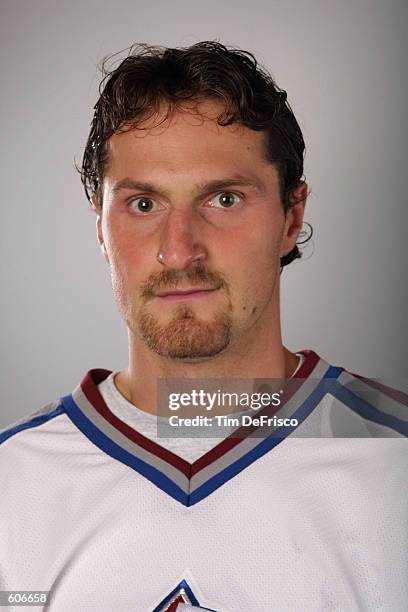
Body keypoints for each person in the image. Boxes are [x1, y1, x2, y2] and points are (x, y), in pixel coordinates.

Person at [0, 41, 406, 612]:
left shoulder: (395, 462)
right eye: (143, 205)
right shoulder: (11, 483)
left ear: (291, 217)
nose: (179, 250)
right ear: (100, 226)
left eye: (224, 198)